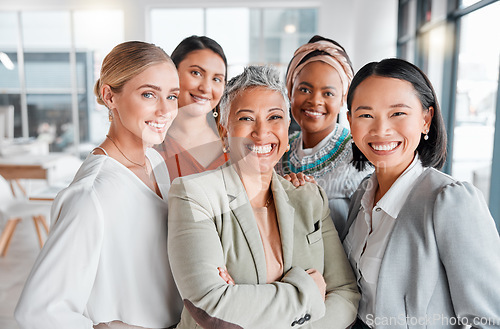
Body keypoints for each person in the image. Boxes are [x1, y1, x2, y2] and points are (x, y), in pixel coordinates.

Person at [167, 65, 359, 329]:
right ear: (224, 132)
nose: (261, 132)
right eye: (246, 118)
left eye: (275, 117)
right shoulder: (194, 195)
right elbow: (210, 306)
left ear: (287, 130)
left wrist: (248, 306)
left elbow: (346, 293)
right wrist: (308, 293)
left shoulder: (310, 198)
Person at [15, 41, 183, 329]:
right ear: (109, 96)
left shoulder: (155, 162)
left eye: (172, 96)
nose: (165, 110)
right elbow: (37, 312)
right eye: (148, 94)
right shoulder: (91, 194)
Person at [341, 58, 500, 328]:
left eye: (398, 113)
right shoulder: (362, 193)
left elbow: (490, 318)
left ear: (426, 119)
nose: (381, 130)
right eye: (366, 115)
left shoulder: (450, 200)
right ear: (350, 121)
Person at [277, 35, 371, 233]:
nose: (315, 101)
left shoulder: (360, 157)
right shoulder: (278, 152)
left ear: (343, 99)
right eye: (304, 89)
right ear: (290, 92)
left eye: (328, 93)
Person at [156, 35, 228, 182]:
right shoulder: (150, 142)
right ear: (173, 73)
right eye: (196, 73)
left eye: (216, 79)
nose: (206, 88)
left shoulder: (233, 139)